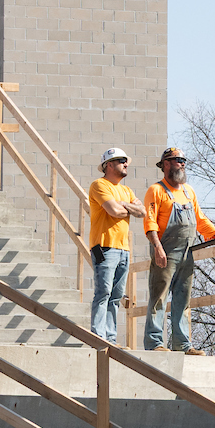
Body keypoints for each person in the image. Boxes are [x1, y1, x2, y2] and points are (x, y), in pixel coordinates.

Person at [141, 145, 215, 353]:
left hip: (187, 253)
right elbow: (150, 223)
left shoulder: (188, 191)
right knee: (159, 297)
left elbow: (199, 219)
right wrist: (158, 249)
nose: (182, 164)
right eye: (178, 160)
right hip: (165, 253)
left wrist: (214, 233)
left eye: (183, 161)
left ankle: (183, 344)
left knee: (183, 298)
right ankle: (155, 343)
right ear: (166, 164)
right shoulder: (156, 191)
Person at [86, 146, 142, 344]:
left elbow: (142, 212)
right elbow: (113, 211)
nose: (125, 164)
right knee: (103, 292)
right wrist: (129, 207)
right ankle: (98, 336)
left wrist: (124, 205)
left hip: (123, 249)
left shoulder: (126, 190)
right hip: (105, 247)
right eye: (121, 161)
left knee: (116, 296)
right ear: (108, 165)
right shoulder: (99, 185)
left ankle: (110, 337)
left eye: (125, 161)